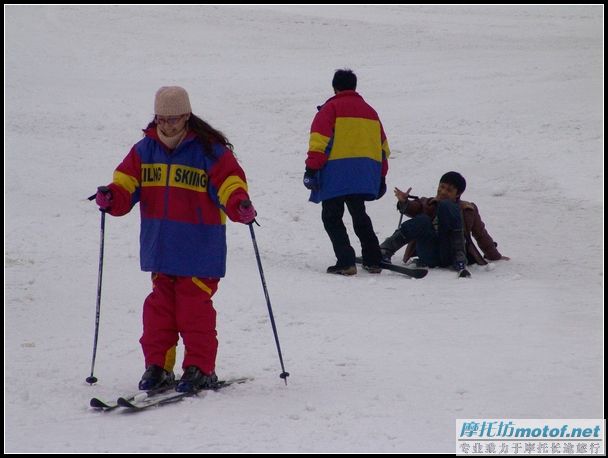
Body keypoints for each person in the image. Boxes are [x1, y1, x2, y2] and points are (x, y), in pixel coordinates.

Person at [93, 86, 256, 392]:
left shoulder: (210, 151)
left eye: (174, 119)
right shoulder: (144, 150)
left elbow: (231, 183)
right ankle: (158, 366)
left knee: (193, 310)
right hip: (161, 247)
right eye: (162, 119)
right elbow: (125, 184)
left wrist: (239, 204)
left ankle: (200, 367)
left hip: (199, 247)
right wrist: (111, 196)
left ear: (186, 116)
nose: (167, 125)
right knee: (159, 311)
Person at [303, 69, 390, 275]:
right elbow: (383, 147)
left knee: (332, 217)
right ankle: (373, 258)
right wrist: (381, 175)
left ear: (335, 87)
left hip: (336, 174)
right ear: (354, 86)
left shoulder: (329, 109)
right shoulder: (371, 112)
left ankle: (346, 261)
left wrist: (311, 168)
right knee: (359, 215)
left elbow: (319, 143)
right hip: (363, 175)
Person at [379, 171, 509, 277]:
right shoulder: (427, 203)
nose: (442, 192)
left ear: (458, 194)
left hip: (451, 253)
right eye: (441, 187)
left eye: (449, 190)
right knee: (422, 220)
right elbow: (412, 208)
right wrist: (404, 203)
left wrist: (495, 255)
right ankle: (384, 251)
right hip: (428, 252)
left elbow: (481, 234)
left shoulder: (467, 209)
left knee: (447, 206)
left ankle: (459, 261)